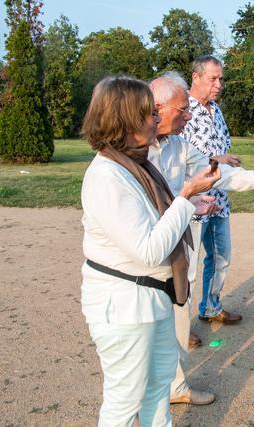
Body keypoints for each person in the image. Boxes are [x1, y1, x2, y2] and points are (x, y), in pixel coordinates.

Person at [147, 71, 254, 405]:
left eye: (189, 110)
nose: (188, 116)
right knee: (144, 339)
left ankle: (175, 387)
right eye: (182, 111)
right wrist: (186, 199)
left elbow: (217, 173)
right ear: (157, 107)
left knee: (178, 315)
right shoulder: (132, 149)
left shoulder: (178, 144)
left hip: (174, 246)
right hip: (142, 257)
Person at [79, 76, 220, 426]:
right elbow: (149, 249)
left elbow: (154, 220)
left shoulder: (134, 163)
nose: (156, 119)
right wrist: (186, 198)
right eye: (148, 113)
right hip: (125, 306)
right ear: (125, 120)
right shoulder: (108, 176)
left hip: (151, 298)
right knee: (125, 403)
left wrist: (189, 204)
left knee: (158, 388)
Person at [182, 55, 243, 324]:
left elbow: (222, 146)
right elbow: (178, 157)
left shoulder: (215, 109)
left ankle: (210, 307)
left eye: (221, 79)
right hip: (194, 202)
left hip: (220, 199)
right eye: (213, 78)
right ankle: (180, 325)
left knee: (221, 258)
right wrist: (215, 160)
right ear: (196, 77)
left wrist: (225, 159)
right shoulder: (181, 108)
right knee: (188, 267)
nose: (219, 84)